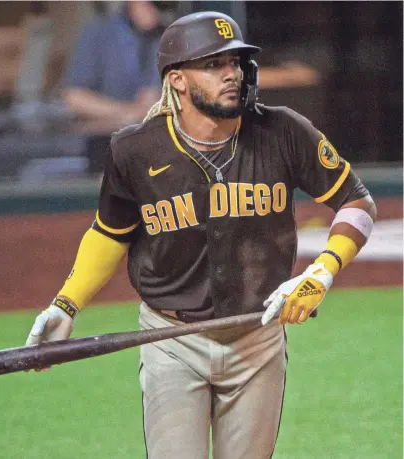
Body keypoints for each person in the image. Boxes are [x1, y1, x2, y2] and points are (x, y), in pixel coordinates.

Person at [26, 11, 377, 459]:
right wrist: (66, 304)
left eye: (235, 62)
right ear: (177, 80)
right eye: (212, 65)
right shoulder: (135, 150)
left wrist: (322, 272)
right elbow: (111, 232)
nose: (231, 74)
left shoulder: (282, 132)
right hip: (170, 341)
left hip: (256, 337)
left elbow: (358, 202)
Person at [61, 1, 172, 172]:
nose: (157, 13)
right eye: (153, 4)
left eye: (164, 6)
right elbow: (75, 98)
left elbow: (155, 96)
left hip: (159, 152)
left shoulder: (168, 35)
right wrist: (130, 112)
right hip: (105, 150)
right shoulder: (99, 34)